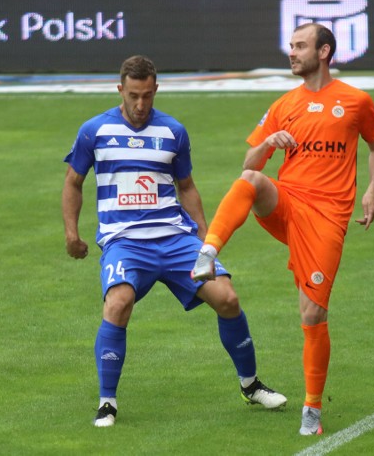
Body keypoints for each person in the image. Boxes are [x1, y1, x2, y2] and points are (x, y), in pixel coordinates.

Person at [62, 55, 286, 428]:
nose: (140, 104)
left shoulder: (173, 132)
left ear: (156, 90)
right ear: (120, 89)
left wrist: (206, 241)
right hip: (125, 243)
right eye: (133, 95)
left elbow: (186, 187)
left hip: (175, 240)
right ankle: (107, 403)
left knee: (228, 299)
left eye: (147, 95)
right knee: (118, 304)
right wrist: (72, 234)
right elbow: (73, 182)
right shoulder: (93, 131)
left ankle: (251, 385)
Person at [191, 23, 374, 435]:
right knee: (251, 181)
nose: (292, 52)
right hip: (288, 203)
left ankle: (312, 409)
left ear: (325, 52)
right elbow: (250, 164)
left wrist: (370, 191)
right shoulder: (283, 105)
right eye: (292, 45)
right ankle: (208, 252)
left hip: (328, 218)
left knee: (313, 313)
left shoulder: (355, 101)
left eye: (300, 46)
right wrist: (267, 145)